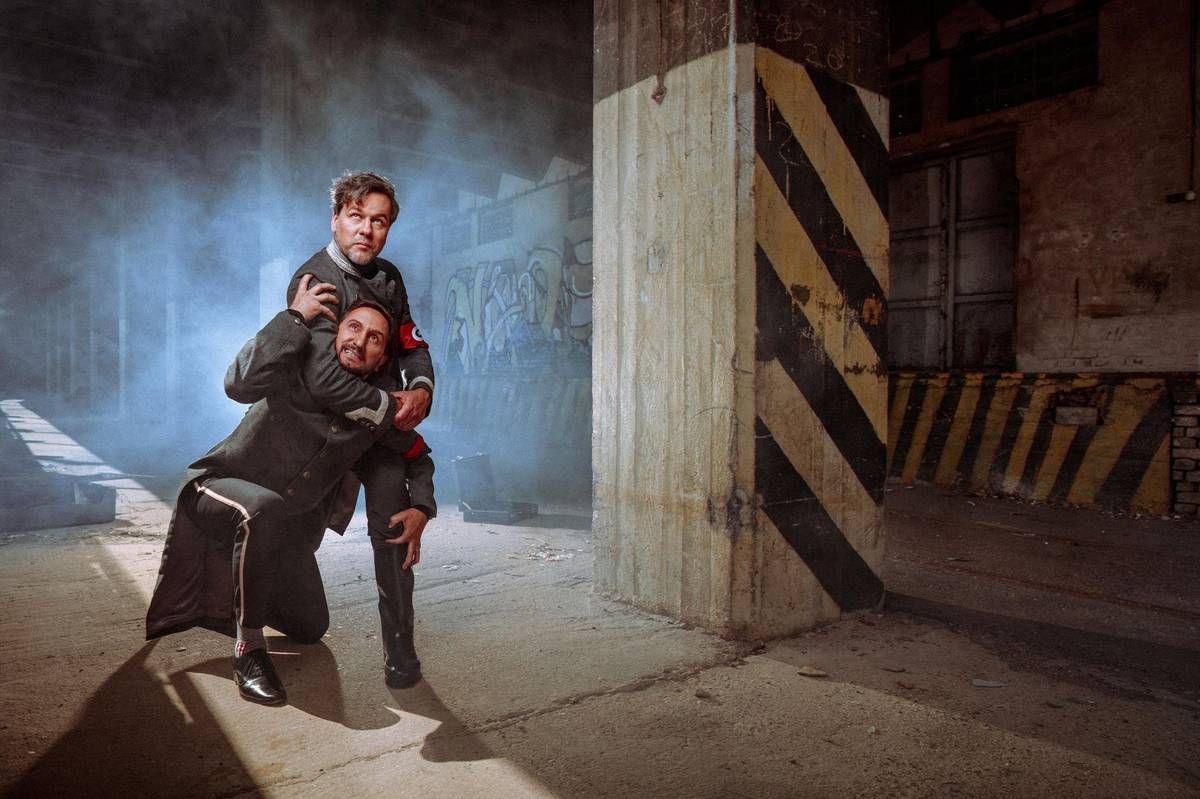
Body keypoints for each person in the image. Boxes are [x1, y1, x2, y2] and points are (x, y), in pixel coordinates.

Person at [145, 285, 434, 705]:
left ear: (381, 360)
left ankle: (238, 584)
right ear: (336, 333)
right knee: (264, 508)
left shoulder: (373, 414)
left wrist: (422, 506)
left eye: (374, 338)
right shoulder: (299, 362)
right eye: (353, 327)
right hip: (217, 487)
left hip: (280, 530)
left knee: (310, 627)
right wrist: (294, 317)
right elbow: (237, 382)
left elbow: (417, 454)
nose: (359, 341)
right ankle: (248, 650)